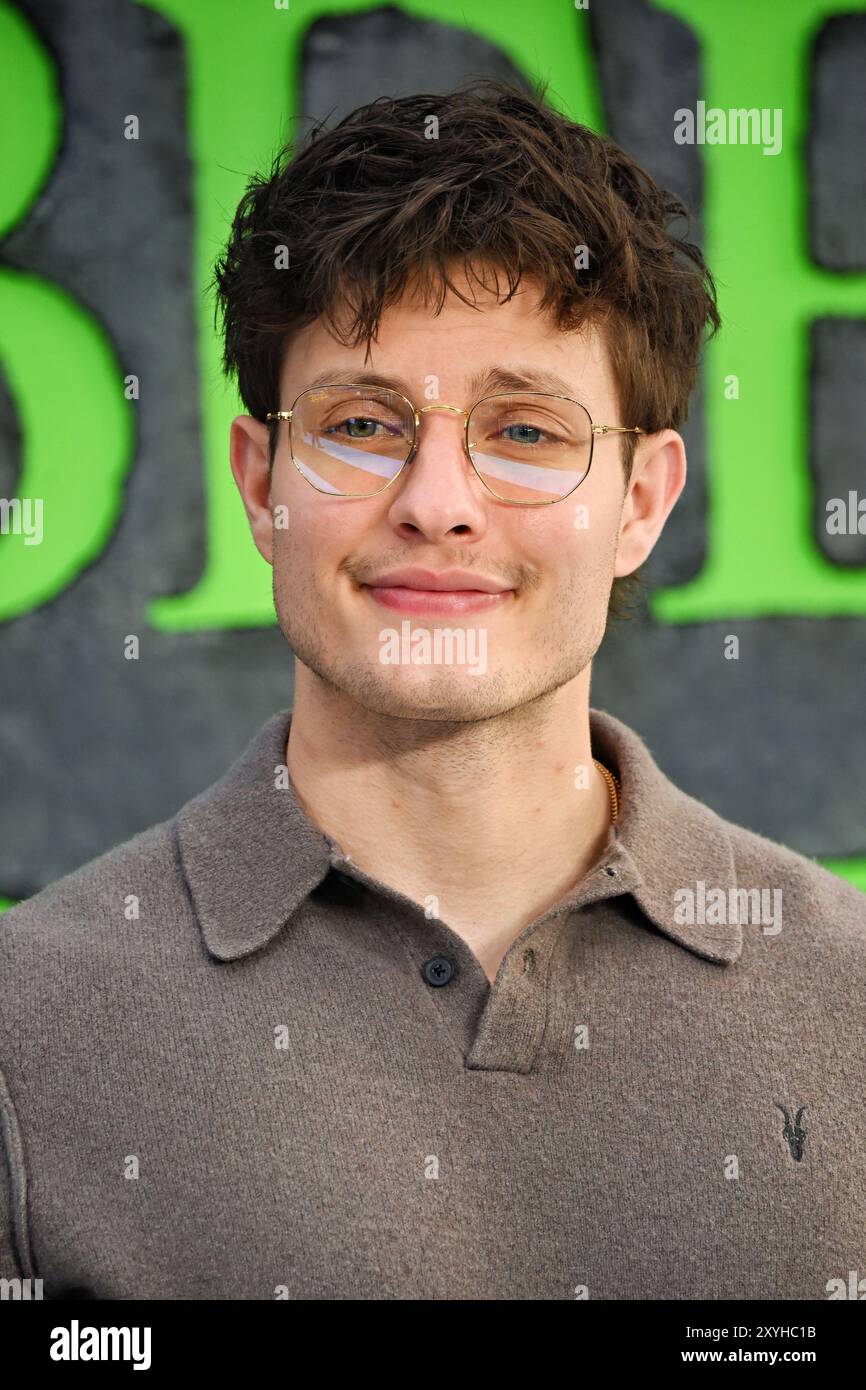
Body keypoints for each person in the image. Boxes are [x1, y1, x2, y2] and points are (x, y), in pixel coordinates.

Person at [1, 80, 863, 1301]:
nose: (435, 499)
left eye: (524, 432)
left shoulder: (850, 998)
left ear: (640, 502)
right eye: (360, 422)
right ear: (261, 483)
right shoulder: (23, 1029)